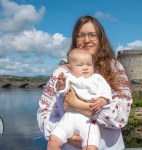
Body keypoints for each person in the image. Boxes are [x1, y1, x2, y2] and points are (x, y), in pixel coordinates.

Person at [37, 15, 133, 150]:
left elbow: (122, 115)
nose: (86, 40)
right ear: (75, 39)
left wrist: (78, 105)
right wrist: (65, 135)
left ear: (100, 39)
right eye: (81, 35)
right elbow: (44, 112)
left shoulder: (115, 68)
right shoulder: (61, 72)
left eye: (92, 35)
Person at [48, 48, 112, 150]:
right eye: (80, 65)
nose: (85, 68)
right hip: (68, 118)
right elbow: (61, 91)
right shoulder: (68, 77)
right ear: (70, 67)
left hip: (88, 122)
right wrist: (60, 84)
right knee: (53, 140)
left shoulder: (98, 78)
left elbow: (107, 93)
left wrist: (101, 101)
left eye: (89, 64)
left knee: (91, 147)